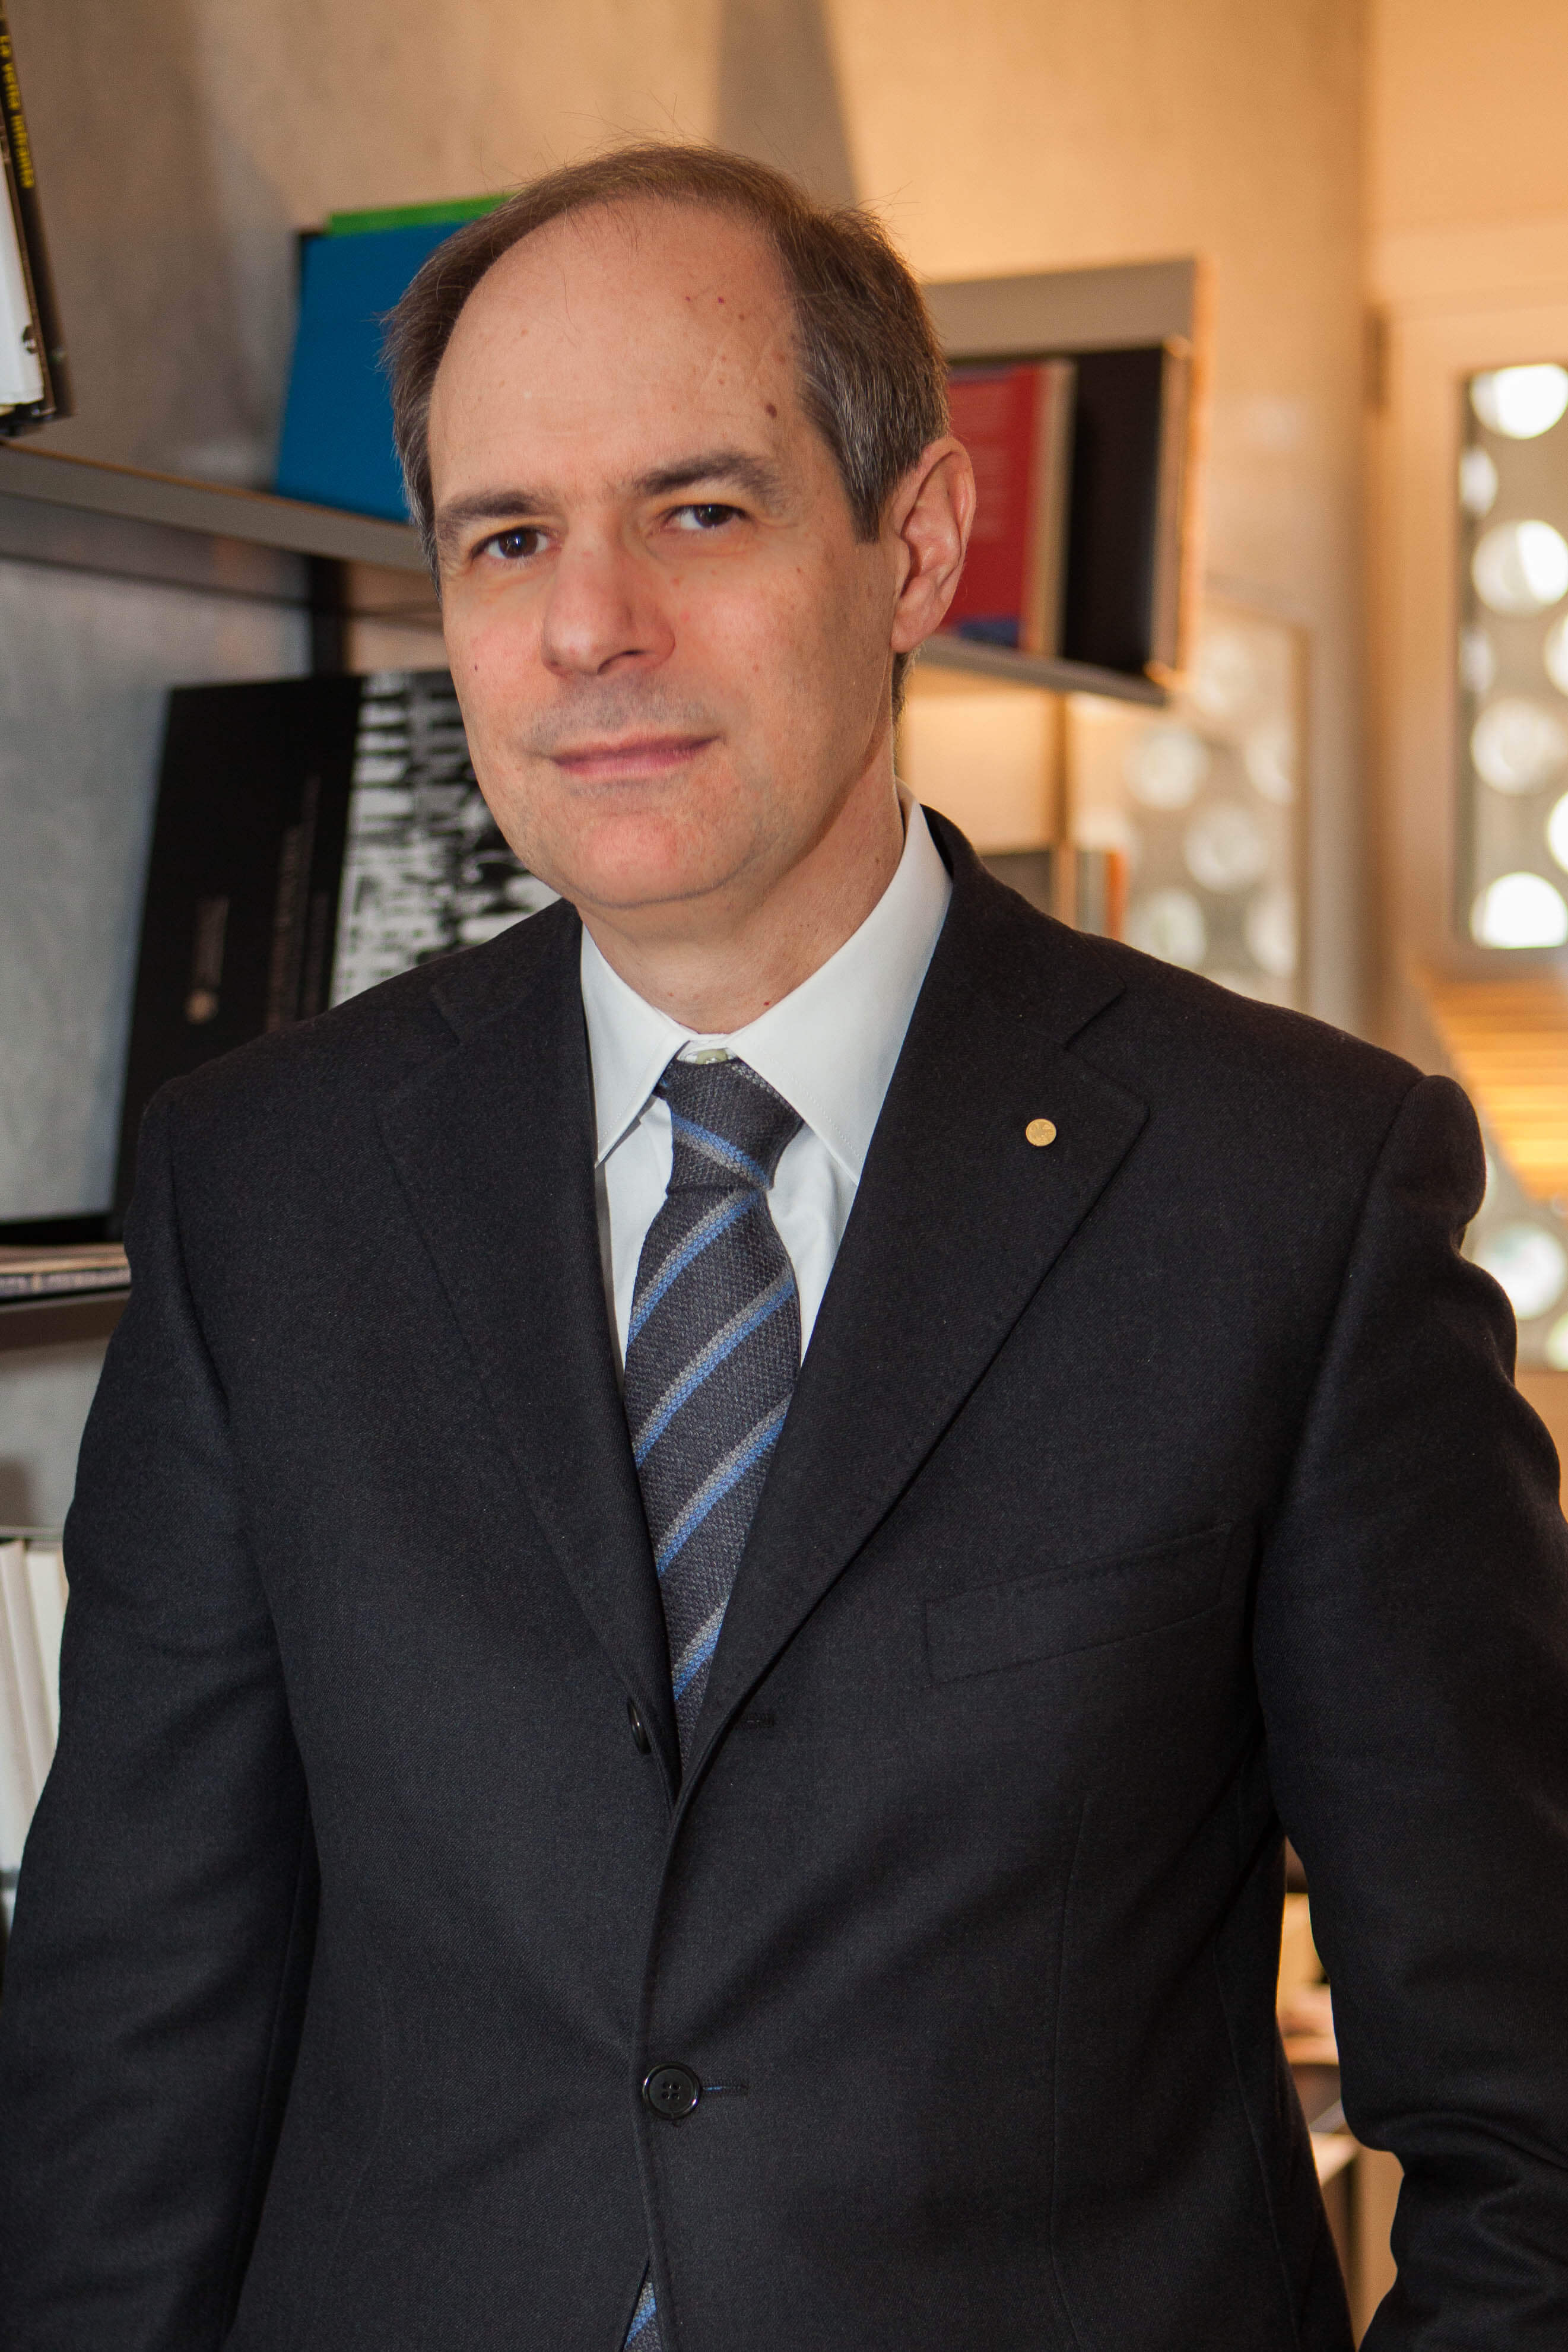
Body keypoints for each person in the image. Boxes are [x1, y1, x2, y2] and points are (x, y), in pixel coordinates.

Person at [2, 142, 1566, 2352]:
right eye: (508, 537)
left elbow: (1526, 2115)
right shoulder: (262, 1188)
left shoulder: (1289, 1189)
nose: (590, 627)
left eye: (699, 511)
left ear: (913, 544)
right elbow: (129, 2048)